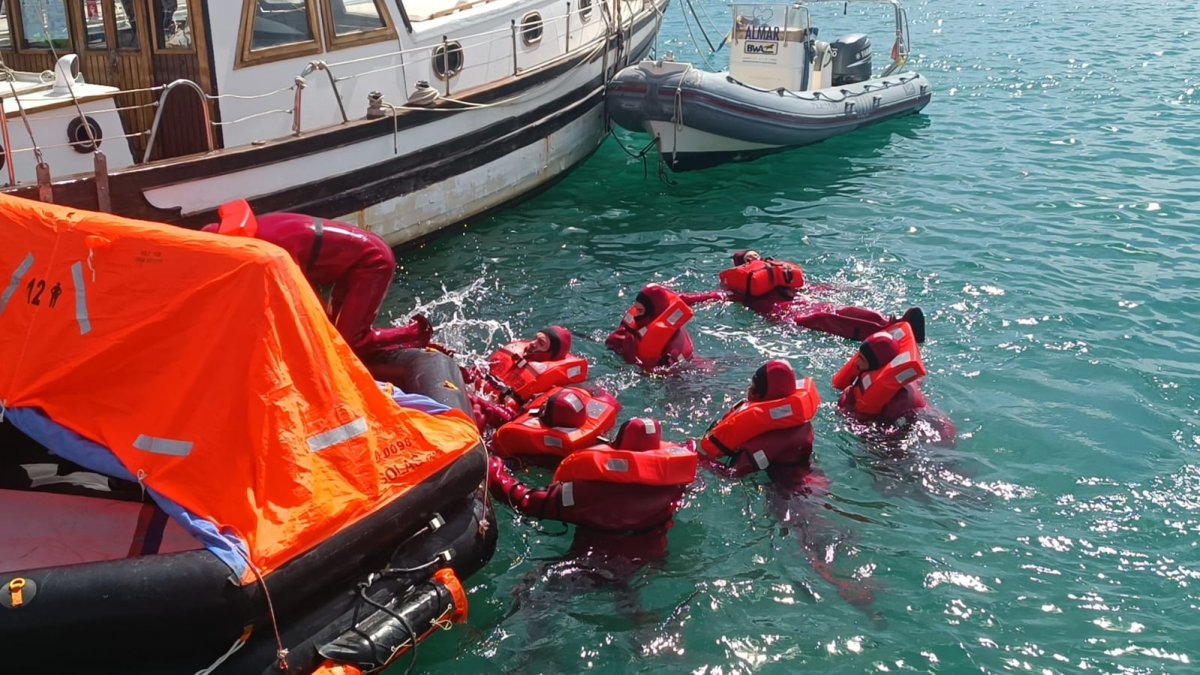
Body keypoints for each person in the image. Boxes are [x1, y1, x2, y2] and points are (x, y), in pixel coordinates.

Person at [490, 418, 699, 669]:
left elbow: (524, 502)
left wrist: (493, 468)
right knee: (626, 594)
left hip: (589, 567)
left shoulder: (584, 493)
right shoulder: (675, 489)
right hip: (647, 564)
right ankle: (647, 629)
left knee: (530, 591)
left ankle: (533, 657)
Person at [697, 360, 879, 611]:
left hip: (790, 495)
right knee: (827, 532)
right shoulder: (799, 421)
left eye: (752, 387)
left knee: (809, 549)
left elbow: (734, 474)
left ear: (762, 394)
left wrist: (700, 462)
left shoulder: (765, 437)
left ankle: (845, 588)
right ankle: (861, 583)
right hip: (815, 480)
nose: (748, 391)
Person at [202, 200, 431, 357]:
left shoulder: (274, 250)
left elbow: (306, 303)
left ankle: (415, 332)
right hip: (351, 267)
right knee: (332, 335)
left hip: (373, 262)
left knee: (348, 342)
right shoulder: (259, 233)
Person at [681, 250, 927, 343]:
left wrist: (842, 289)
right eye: (747, 260)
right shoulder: (740, 291)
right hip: (786, 318)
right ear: (739, 268)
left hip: (801, 304)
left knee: (838, 310)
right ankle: (887, 332)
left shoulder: (777, 275)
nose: (753, 260)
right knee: (824, 317)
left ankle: (890, 323)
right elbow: (709, 297)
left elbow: (814, 289)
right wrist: (678, 298)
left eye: (755, 257)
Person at [831, 322, 956, 445]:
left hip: (926, 433)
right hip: (940, 425)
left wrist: (846, 398)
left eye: (862, 360)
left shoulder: (886, 398)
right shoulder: (907, 381)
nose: (856, 363)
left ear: (876, 365)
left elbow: (864, 423)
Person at [605, 284, 694, 370]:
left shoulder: (670, 343)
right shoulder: (636, 326)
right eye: (636, 309)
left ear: (653, 313)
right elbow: (612, 342)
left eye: (640, 311)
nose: (635, 315)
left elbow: (665, 375)